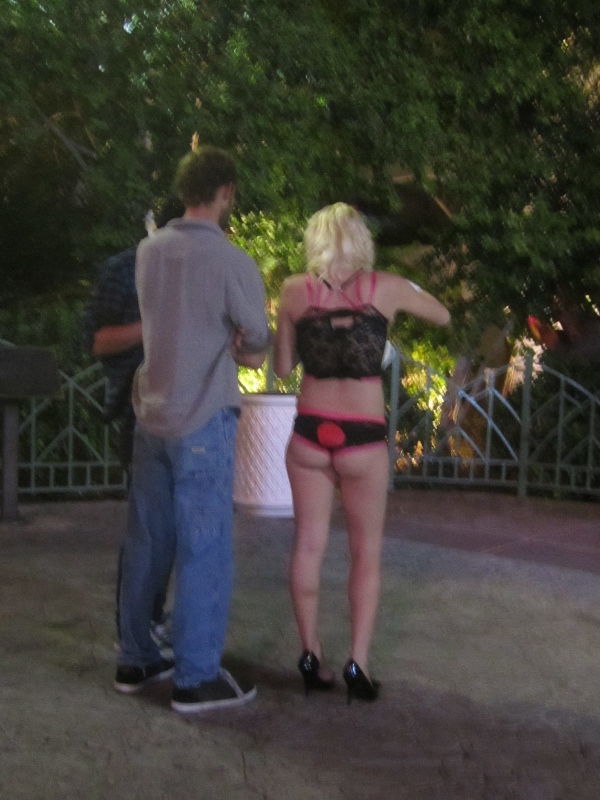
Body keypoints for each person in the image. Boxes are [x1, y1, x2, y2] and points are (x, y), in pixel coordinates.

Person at [114, 146, 270, 713]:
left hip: (151, 413)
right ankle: (196, 676)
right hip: (203, 417)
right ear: (225, 191)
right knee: (205, 547)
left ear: (184, 190)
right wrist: (239, 340)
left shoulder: (149, 251)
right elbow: (257, 338)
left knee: (148, 541)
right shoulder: (231, 260)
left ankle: (136, 657)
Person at [273, 202, 450, 702]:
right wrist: (405, 292)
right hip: (363, 439)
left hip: (310, 433)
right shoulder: (385, 287)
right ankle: (359, 664)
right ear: (362, 241)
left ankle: (310, 655)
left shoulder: (293, 291)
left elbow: (282, 367)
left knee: (308, 545)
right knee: (365, 552)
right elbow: (442, 313)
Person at [82, 197, 185, 653]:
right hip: (137, 410)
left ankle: (152, 621)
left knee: (178, 525)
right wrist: (153, 327)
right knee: (149, 525)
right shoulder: (124, 268)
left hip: (190, 410)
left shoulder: (199, 268)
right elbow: (96, 340)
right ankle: (135, 630)